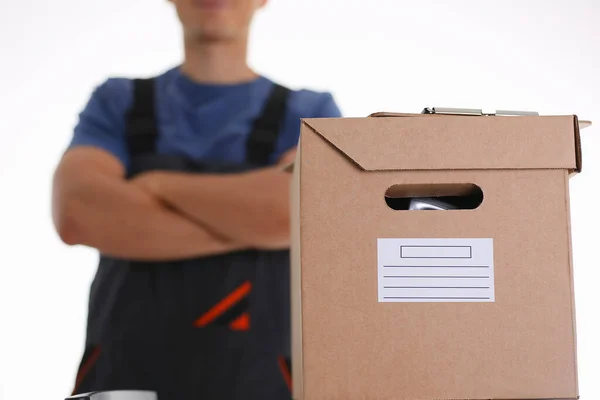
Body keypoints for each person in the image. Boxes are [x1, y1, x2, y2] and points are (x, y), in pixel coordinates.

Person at [51, 0, 341, 399]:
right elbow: (78, 213)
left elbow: (298, 213)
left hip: (260, 383)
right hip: (122, 382)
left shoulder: (309, 111)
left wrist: (158, 186)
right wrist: (255, 221)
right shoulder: (118, 101)